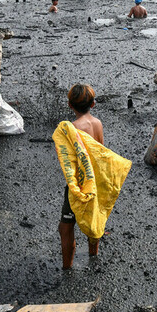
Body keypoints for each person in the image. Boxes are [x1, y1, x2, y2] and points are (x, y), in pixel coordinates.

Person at [59, 84, 104, 269]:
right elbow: (102, 153)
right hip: (96, 181)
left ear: (70, 105)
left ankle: (67, 266)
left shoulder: (73, 129)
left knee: (66, 227)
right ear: (93, 104)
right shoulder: (98, 123)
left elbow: (69, 160)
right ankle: (94, 254)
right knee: (94, 219)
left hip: (78, 185)